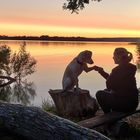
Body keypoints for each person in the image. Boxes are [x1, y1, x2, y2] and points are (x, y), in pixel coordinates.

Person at [94, 47, 139, 114]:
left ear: (119, 57)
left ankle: (108, 116)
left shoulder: (117, 70)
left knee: (99, 94)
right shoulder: (132, 67)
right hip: (133, 104)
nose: (113, 58)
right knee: (106, 91)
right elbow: (116, 80)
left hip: (125, 106)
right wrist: (102, 72)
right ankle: (111, 116)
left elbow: (109, 85)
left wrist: (110, 75)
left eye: (114, 56)